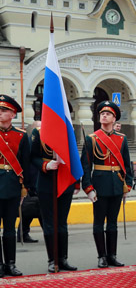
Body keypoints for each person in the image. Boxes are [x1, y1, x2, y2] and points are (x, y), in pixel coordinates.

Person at [80, 101, 133, 268]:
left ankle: (112, 255)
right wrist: (88, 187)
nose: (104, 116)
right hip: (100, 184)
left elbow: (126, 164)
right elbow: (86, 165)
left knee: (112, 222)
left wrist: (127, 185)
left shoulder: (121, 139)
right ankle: (101, 256)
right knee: (98, 222)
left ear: (114, 118)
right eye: (102, 113)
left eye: (108, 114)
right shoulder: (92, 139)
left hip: (117, 184)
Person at [31, 107, 79, 273]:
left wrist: (77, 182)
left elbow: (74, 157)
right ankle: (52, 260)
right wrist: (45, 165)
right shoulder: (39, 133)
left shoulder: (69, 132)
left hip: (65, 180)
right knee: (50, 223)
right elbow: (33, 156)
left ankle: (63, 259)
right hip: (46, 182)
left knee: (62, 224)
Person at [0, 95, 31, 277]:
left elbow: (25, 164)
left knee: (10, 228)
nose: (0, 113)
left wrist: (24, 188)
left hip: (12, 186)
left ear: (12, 114)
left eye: (4, 110)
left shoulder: (20, 136)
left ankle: (10, 264)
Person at [18, 121, 41, 244]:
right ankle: (22, 233)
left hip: (39, 178)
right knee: (29, 209)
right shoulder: (27, 143)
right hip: (31, 180)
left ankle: (52, 233)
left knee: (36, 209)